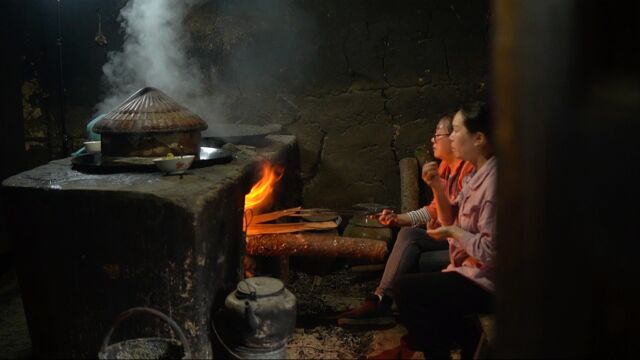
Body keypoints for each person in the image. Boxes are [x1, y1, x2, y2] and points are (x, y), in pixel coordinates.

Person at [338, 114, 474, 327]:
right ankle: (380, 300)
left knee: (413, 259)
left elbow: (461, 222)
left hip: (468, 250)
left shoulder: (470, 172)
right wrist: (397, 219)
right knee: (408, 234)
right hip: (451, 240)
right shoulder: (447, 168)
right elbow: (434, 210)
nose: (432, 140)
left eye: (438, 134)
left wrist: (441, 223)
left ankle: (387, 305)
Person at [393, 101, 497, 358]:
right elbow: (449, 215)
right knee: (419, 291)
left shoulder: (494, 184)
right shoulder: (475, 176)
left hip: (491, 282)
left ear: (479, 138)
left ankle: (451, 343)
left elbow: (491, 251)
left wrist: (453, 234)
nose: (450, 137)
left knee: (407, 290)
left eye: (456, 131)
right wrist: (437, 187)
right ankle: (464, 337)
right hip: (470, 270)